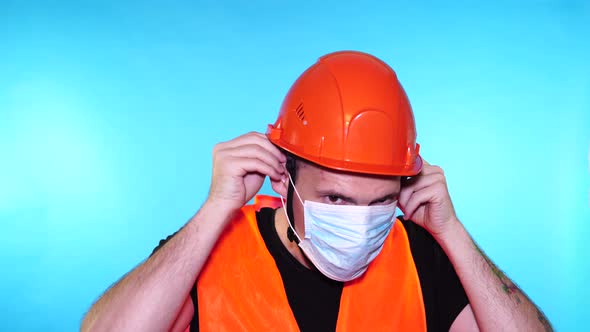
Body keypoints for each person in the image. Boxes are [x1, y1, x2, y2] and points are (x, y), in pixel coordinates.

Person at [81, 51, 552, 332]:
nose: (362, 223)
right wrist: (215, 211)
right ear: (282, 179)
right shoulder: (208, 255)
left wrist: (452, 233)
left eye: (383, 202)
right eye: (336, 199)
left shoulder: (421, 259)